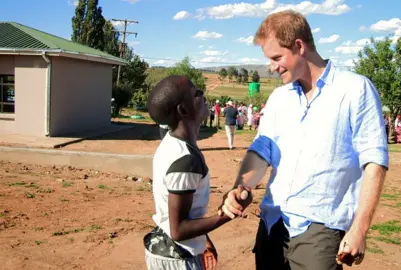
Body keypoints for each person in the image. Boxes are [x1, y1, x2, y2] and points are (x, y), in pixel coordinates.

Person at [218, 10, 388, 270]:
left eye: (277, 58)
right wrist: (242, 186)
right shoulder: (279, 98)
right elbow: (262, 151)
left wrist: (359, 229)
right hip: (272, 224)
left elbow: (374, 162)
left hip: (318, 231)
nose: (272, 67)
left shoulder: (355, 89)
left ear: (299, 46)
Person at [144, 75, 235, 270]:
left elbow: (184, 212)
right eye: (196, 93)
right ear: (183, 110)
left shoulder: (171, 143)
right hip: (178, 259)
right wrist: (228, 213)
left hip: (169, 251)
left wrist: (204, 241)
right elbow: (178, 230)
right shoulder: (186, 160)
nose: (203, 95)